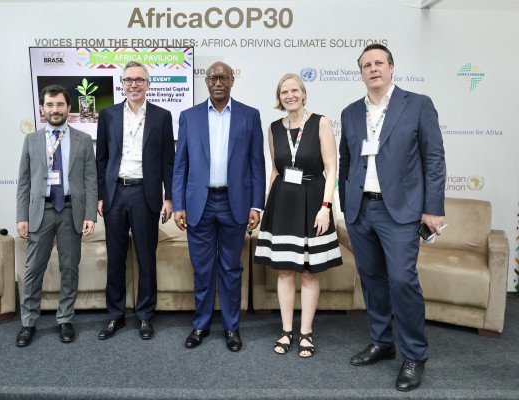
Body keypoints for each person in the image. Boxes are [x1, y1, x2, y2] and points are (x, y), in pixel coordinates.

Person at [339, 44, 446, 391]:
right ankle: (382, 342)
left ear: (391, 67)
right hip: (360, 210)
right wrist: (346, 204)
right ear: (361, 73)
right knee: (372, 280)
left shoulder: (418, 105)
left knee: (402, 281)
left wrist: (432, 209)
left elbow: (434, 158)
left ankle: (414, 355)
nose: (373, 69)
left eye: (379, 63)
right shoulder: (350, 112)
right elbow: (345, 161)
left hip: (399, 211)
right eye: (366, 65)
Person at [172, 61, 265, 352]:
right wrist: (179, 204)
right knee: (202, 269)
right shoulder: (189, 117)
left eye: (224, 77)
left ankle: (231, 326)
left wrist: (256, 205)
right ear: (206, 82)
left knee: (231, 269)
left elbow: (257, 164)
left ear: (232, 81)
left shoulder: (250, 116)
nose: (218, 83)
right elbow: (180, 165)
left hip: (234, 203)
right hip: (198, 204)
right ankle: (200, 324)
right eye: (213, 78)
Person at [254, 73, 343, 358]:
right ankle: (286, 330)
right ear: (279, 98)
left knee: (308, 271)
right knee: (284, 270)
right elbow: (276, 170)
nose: (290, 95)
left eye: (295, 90)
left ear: (304, 94)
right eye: (284, 92)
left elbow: (331, 168)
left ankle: (306, 332)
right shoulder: (273, 128)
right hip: (282, 202)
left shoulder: (321, 123)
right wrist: (266, 206)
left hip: (313, 201)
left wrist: (326, 207)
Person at [96, 61, 174, 341]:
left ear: (148, 84)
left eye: (139, 80)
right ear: (122, 84)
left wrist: (169, 197)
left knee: (146, 258)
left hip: (145, 195)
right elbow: (101, 159)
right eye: (128, 80)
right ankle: (115, 315)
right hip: (115, 194)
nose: (134, 85)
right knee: (115, 258)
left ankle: (144, 315)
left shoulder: (162, 116)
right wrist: (101, 195)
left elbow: (168, 161)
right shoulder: (108, 115)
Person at [16, 84, 97, 347]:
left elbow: (91, 180)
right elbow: (24, 182)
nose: (55, 109)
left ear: (68, 108)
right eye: (50, 105)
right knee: (33, 269)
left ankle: (65, 318)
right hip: (40, 211)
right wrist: (22, 216)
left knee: (69, 268)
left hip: (71, 210)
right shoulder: (31, 140)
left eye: (60, 104)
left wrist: (90, 215)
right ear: (42, 109)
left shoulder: (83, 139)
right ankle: (28, 321)